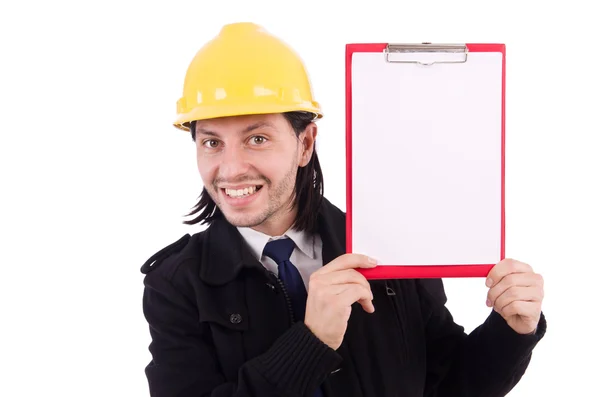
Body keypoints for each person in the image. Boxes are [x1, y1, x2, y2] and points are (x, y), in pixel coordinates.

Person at [140, 22, 546, 397]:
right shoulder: (175, 286)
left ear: (305, 144)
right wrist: (311, 342)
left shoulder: (390, 245)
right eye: (211, 142)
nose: (229, 169)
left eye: (257, 139)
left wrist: (511, 330)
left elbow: (449, 385)